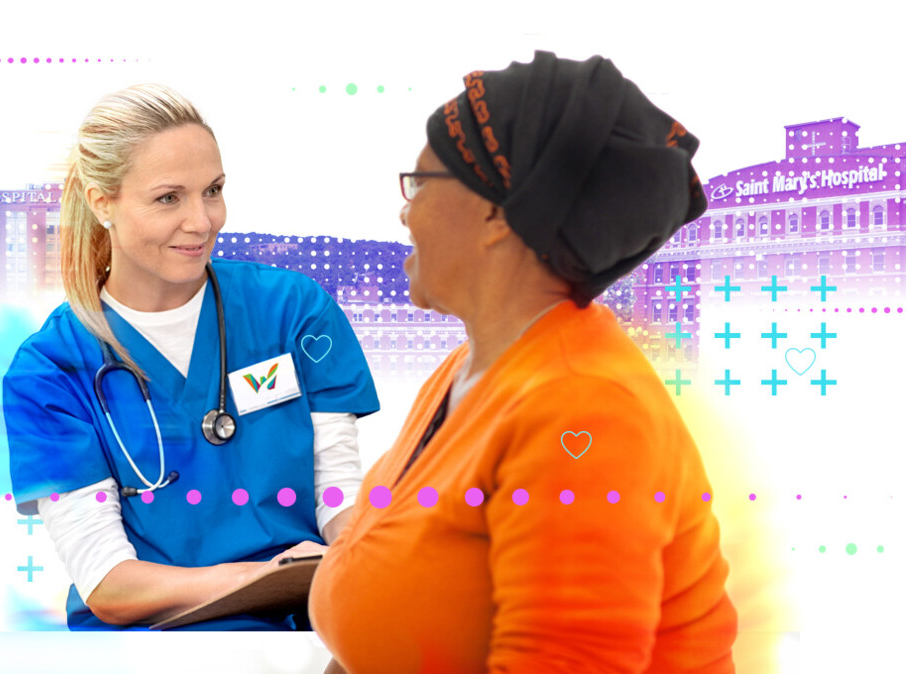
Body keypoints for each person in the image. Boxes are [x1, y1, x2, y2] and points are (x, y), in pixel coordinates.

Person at [309, 52, 737, 672]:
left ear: (495, 214)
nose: (404, 211)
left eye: (422, 182)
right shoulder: (471, 368)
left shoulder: (584, 412)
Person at [2, 83, 379, 631]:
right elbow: (110, 585)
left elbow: (337, 495)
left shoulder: (293, 312)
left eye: (213, 190)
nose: (203, 222)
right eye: (168, 198)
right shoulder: (51, 371)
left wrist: (372, 552)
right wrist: (264, 579)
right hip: (151, 649)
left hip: (302, 634)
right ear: (101, 201)